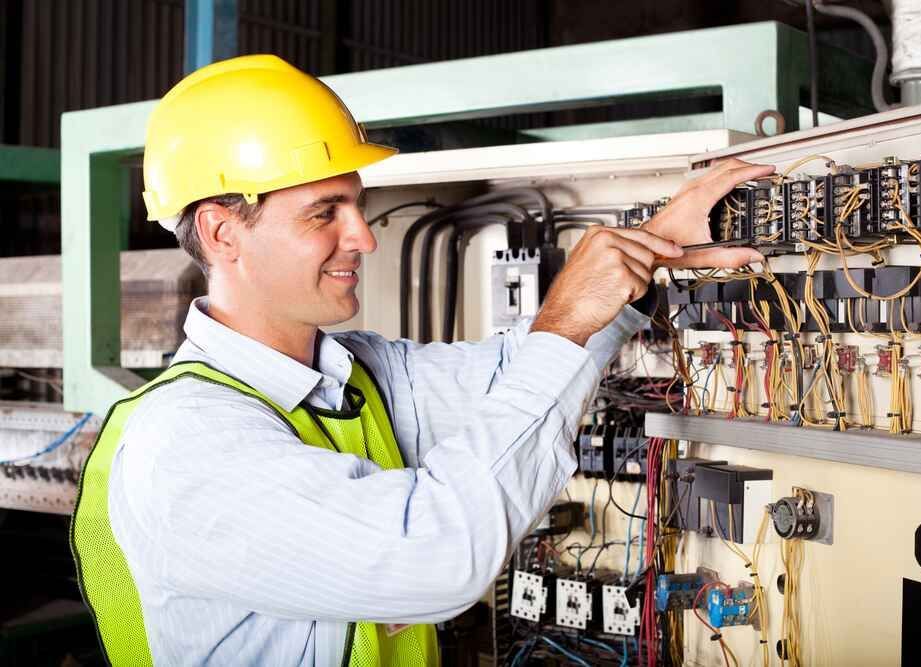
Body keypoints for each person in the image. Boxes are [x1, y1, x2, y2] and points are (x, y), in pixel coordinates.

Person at [71, 54, 771, 666]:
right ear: (224, 233)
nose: (363, 238)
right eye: (325, 213)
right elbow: (436, 553)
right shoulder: (189, 443)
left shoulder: (353, 372)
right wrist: (564, 317)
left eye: (356, 205)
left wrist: (636, 264)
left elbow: (510, 381)